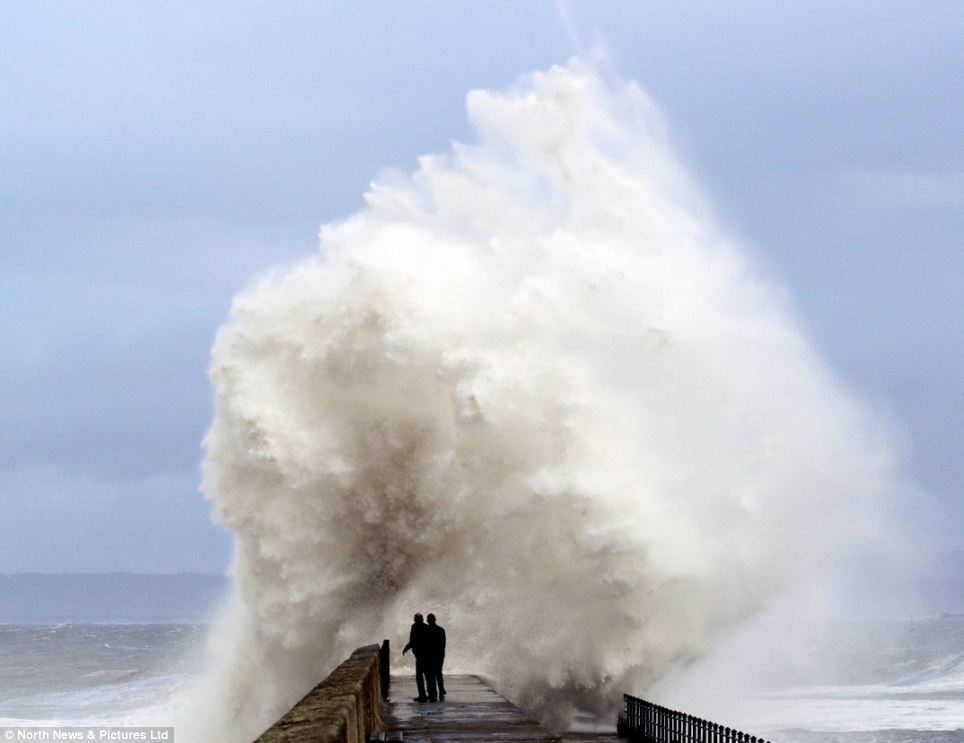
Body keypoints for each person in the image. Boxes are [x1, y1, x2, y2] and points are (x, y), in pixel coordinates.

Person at [402, 612, 437, 702]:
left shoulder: (415, 627)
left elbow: (413, 641)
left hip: (421, 656)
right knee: (429, 676)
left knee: (420, 676)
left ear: (416, 620)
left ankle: (423, 695)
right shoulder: (427, 627)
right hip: (428, 655)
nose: (414, 620)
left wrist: (406, 648)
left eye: (415, 618)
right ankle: (432, 695)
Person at [426, 613, 446, 699]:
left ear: (427, 620)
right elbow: (443, 644)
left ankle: (433, 692)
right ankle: (441, 689)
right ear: (435, 619)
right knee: (438, 673)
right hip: (440, 655)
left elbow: (425, 644)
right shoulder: (441, 630)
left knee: (431, 675)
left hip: (430, 655)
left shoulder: (426, 630)